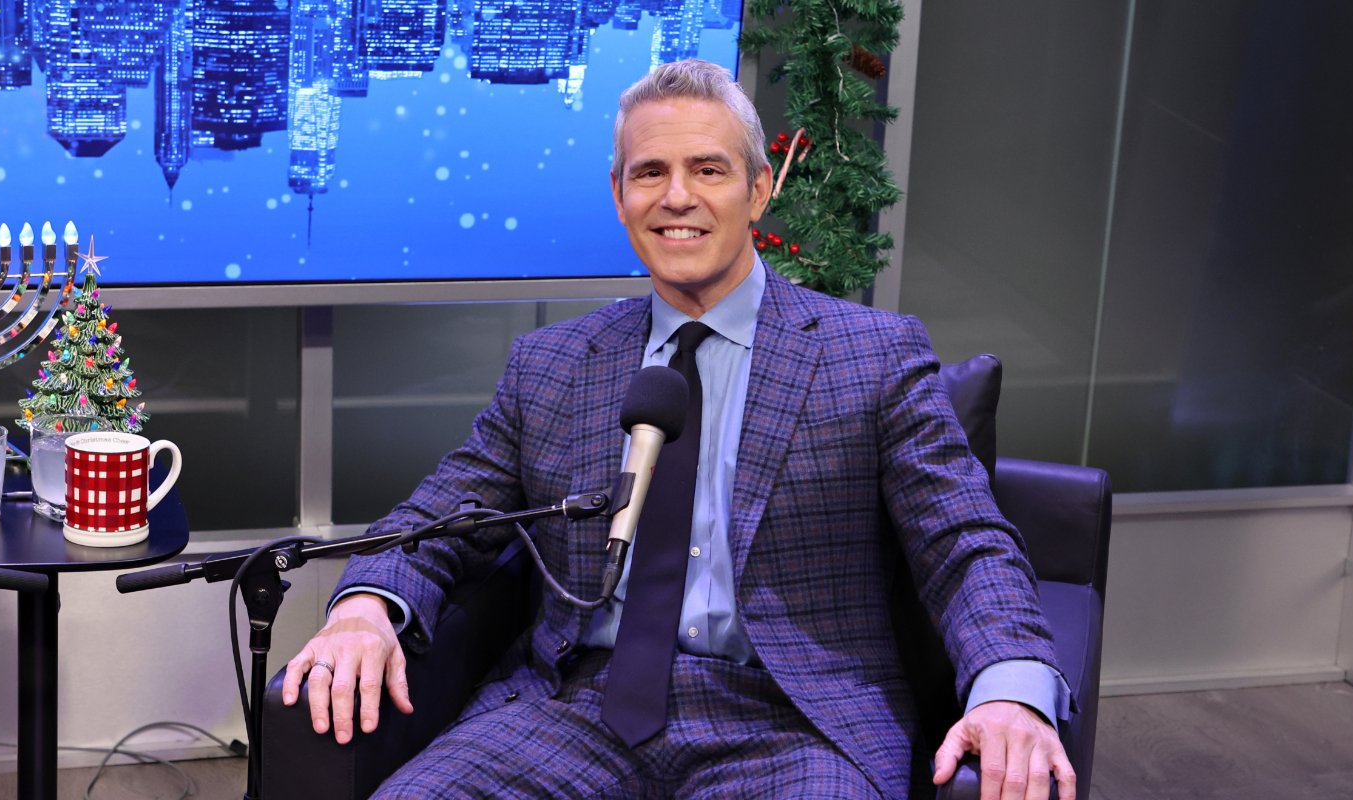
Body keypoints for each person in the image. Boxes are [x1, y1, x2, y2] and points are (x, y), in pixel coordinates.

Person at [282, 59, 1076, 800]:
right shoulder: (553, 364)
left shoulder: (870, 354)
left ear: (759, 191)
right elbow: (443, 516)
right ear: (619, 194)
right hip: (571, 708)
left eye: (708, 170)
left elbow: (964, 542)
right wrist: (365, 607)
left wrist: (1011, 690)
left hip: (791, 725)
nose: (676, 197)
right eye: (649, 173)